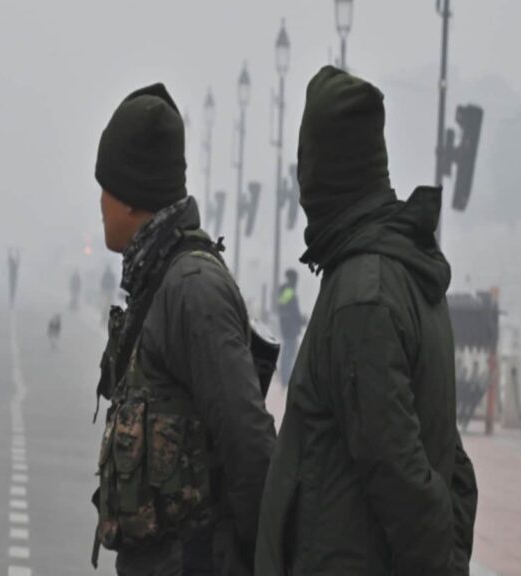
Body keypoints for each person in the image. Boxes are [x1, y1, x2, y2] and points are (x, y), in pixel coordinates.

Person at [255, 67, 478, 576]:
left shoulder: (363, 297)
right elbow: (453, 466)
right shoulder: (402, 269)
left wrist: (442, 561)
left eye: (306, 162)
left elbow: (400, 474)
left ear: (324, 169)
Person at [91, 83, 275, 576]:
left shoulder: (191, 289)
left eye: (106, 187)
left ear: (133, 196)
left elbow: (248, 444)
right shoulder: (159, 279)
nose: (100, 203)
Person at [276, 269, 305, 387]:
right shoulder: (289, 292)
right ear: (292, 279)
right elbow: (292, 311)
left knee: (288, 354)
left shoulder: (285, 291)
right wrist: (300, 320)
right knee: (288, 354)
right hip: (290, 329)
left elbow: (284, 310)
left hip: (287, 328)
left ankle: (286, 378)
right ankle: (286, 379)